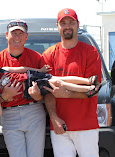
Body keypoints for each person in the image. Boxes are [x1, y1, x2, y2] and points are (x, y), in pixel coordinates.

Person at [42, 8, 102, 157]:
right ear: (58, 26)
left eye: (71, 22)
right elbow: (46, 91)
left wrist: (66, 94)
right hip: (60, 126)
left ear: (77, 24)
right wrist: (54, 117)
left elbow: (93, 89)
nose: (67, 26)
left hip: (86, 126)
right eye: (63, 23)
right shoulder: (49, 54)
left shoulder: (90, 52)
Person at [0, 19, 51, 157]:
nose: (17, 37)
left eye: (21, 33)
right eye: (13, 33)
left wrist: (38, 96)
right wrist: (3, 96)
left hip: (34, 111)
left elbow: (48, 88)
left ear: (26, 36)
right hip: (8, 114)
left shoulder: (36, 58)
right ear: (6, 35)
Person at [0, 57, 101, 116]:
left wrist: (39, 70)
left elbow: (22, 69)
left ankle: (88, 81)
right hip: (30, 89)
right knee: (58, 83)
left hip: (31, 77)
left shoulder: (3, 69)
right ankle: (88, 90)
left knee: (58, 79)